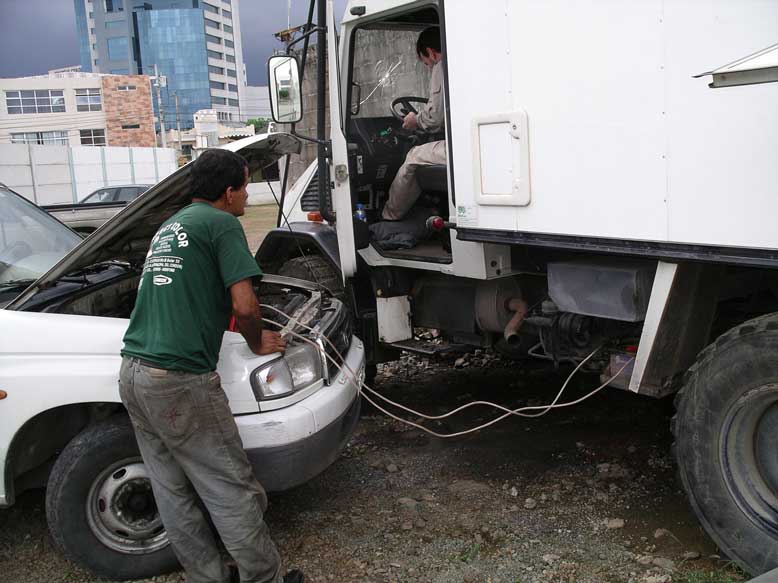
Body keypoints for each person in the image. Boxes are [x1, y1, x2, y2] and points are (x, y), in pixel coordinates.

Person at [119, 149, 304, 583]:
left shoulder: (172, 225)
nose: (246, 196)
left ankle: (208, 578)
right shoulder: (223, 224)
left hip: (133, 373)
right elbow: (244, 303)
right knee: (230, 487)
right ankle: (265, 578)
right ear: (228, 192)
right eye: (244, 185)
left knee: (171, 489)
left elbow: (194, 294)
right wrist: (258, 342)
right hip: (178, 380)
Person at [381, 26, 447, 221]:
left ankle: (389, 216)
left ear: (431, 52)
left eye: (425, 62)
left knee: (413, 156)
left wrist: (414, 120)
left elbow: (434, 118)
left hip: (460, 148)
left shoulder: (441, 66)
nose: (428, 67)